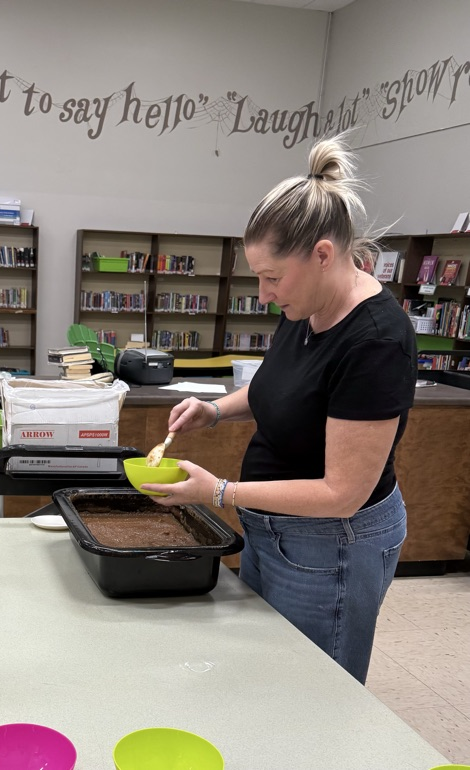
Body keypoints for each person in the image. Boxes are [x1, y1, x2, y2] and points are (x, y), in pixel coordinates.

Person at [143, 135, 417, 685]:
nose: (265, 295)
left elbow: (343, 492)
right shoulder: (305, 304)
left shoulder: (376, 342)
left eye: (272, 277)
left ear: (322, 254)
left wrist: (218, 494)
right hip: (271, 529)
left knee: (314, 689)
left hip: (331, 545)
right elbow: (281, 389)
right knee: (268, 677)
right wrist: (215, 411)